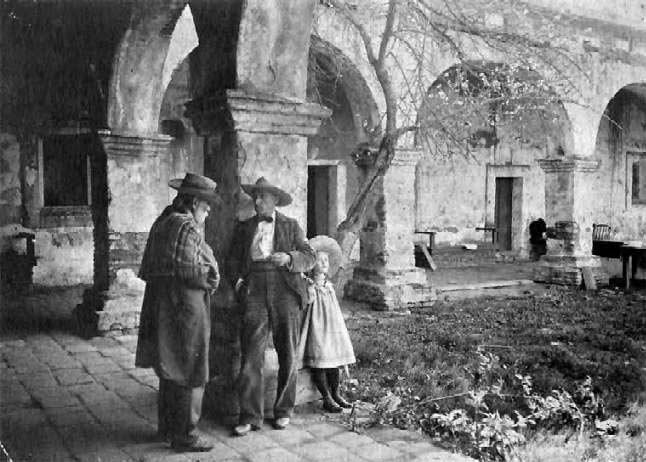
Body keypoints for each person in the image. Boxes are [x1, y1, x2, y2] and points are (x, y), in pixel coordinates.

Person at [135, 173, 220, 452]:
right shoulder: (184, 226)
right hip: (183, 306)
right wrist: (213, 277)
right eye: (205, 208)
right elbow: (194, 271)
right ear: (194, 203)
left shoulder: (164, 220)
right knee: (190, 367)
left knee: (170, 367)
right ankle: (186, 435)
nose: (206, 214)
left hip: (164, 305)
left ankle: (168, 428)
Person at [227, 177, 316, 436]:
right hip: (254, 287)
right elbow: (231, 260)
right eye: (255, 197)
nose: (256, 202)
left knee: (287, 349)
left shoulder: (291, 226)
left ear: (275, 200)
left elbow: (309, 256)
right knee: (251, 352)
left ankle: (284, 410)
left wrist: (289, 257)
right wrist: (239, 283)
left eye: (262, 197)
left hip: (285, 289)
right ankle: (249, 415)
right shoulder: (244, 228)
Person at [300, 235, 355, 413]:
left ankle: (336, 393)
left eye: (326, 260)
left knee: (334, 360)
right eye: (319, 260)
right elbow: (306, 304)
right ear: (312, 264)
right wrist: (309, 289)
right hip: (316, 326)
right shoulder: (310, 284)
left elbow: (334, 310)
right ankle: (326, 397)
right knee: (320, 357)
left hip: (330, 327)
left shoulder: (329, 286)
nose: (324, 263)